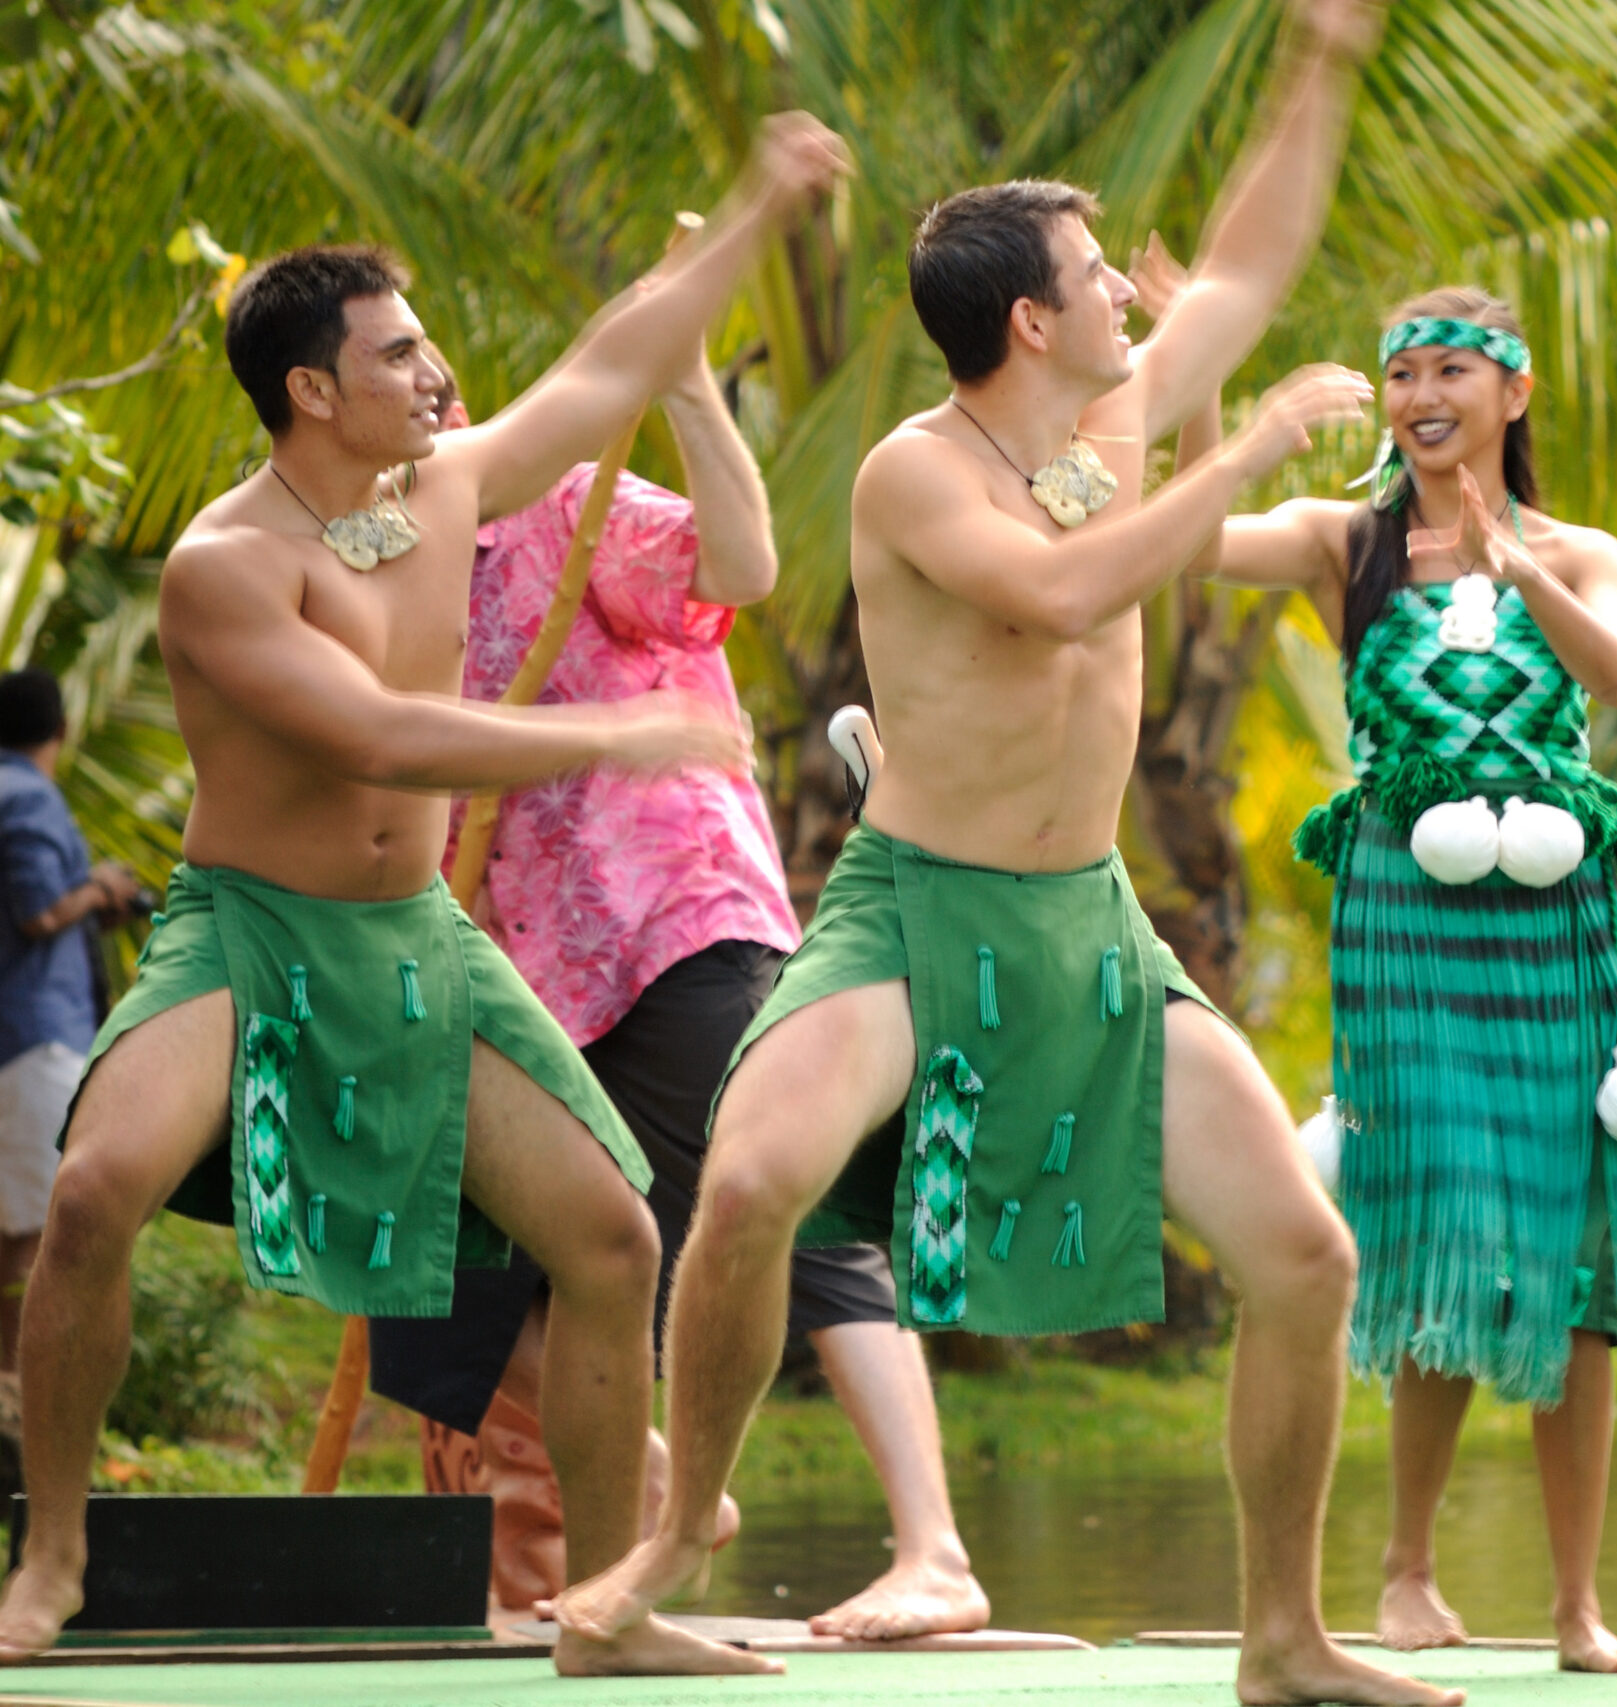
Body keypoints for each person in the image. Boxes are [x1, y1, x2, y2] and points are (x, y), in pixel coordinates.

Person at [550, 7, 1459, 1703]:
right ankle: (654, 1568)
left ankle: (1284, 1638)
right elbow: (1061, 594)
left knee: (1306, 1255)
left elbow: (1253, 265)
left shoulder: (1104, 423)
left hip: (1088, 924)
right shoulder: (913, 474)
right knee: (748, 1190)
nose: (1134, 291)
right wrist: (1247, 452)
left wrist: (1320, 60)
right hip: (913, 911)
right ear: (1031, 318)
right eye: (1103, 272)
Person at [0, 115, 850, 1671]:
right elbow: (375, 730)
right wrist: (613, 726)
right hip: (253, 932)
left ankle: (607, 1606)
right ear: (312, 390)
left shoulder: (433, 487)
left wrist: (753, 202)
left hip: (417, 945)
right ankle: (51, 1547)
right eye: (397, 355)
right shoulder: (226, 562)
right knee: (96, 1189)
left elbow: (617, 358)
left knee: (609, 1238)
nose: (432, 377)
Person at [366, 352, 986, 1638]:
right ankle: (660, 1485)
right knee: (421, 1284)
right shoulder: (362, 571)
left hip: (668, 918)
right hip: (492, 963)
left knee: (795, 1211)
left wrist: (691, 386)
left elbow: (737, 569)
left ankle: (933, 1548)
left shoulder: (567, 505)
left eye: (439, 392)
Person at [1196, 289, 1617, 1673]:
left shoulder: (1584, 552)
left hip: (1558, 921)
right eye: (1401, 370)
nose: (1420, 390)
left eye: (1450, 367)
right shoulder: (1339, 544)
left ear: (1511, 392)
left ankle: (1579, 1604)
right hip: (1403, 925)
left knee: (1576, 1239)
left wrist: (1516, 571)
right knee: (1433, 1216)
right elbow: (1176, 547)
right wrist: (1204, 381)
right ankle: (1404, 1569)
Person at [0, 669, 139, 1406]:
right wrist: (97, 889)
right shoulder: (26, 795)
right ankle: (28, 1400)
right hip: (35, 1039)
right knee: (39, 1235)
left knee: (11, 1229)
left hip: (13, 1038)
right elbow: (38, 911)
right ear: (60, 730)